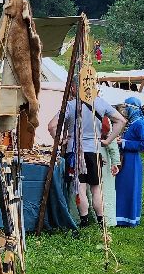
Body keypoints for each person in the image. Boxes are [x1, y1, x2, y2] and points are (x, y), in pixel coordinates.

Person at [48, 91, 120, 226]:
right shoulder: (101, 103)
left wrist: (61, 141)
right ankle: (100, 221)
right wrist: (108, 140)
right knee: (96, 189)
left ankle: (84, 220)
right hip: (94, 151)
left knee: (79, 188)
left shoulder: (70, 105)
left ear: (76, 88)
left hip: (75, 152)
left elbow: (52, 126)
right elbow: (121, 120)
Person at [112, 96, 144, 227]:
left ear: (133, 108)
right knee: (123, 187)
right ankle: (121, 216)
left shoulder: (140, 123)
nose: (125, 109)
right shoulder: (132, 122)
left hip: (132, 161)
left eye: (127, 107)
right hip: (125, 159)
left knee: (130, 187)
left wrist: (124, 143)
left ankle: (129, 218)